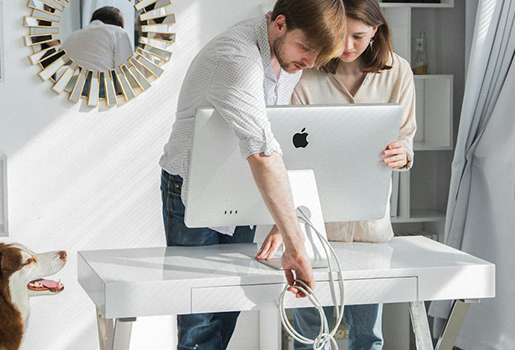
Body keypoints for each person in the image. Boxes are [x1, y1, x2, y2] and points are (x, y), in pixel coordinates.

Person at [158, 0, 345, 348]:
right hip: (191, 185)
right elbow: (261, 151)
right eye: (305, 48)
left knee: (229, 307)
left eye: (316, 57)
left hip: (242, 188)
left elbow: (281, 139)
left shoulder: (290, 61)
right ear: (279, 24)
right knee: (199, 316)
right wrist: (295, 245)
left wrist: (283, 218)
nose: (308, 63)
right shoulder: (236, 58)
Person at [255, 0, 417, 348]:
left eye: (358, 36)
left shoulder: (398, 71)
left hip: (371, 229)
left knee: (369, 336)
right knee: (309, 333)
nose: (346, 46)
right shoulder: (305, 72)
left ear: (376, 30)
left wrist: (403, 154)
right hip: (314, 227)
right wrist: (283, 226)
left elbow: (406, 139)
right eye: (339, 36)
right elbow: (286, 154)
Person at [61, 6, 132, 98]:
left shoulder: (74, 35)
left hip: (68, 88)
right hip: (99, 86)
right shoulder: (118, 32)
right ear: (119, 23)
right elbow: (125, 68)